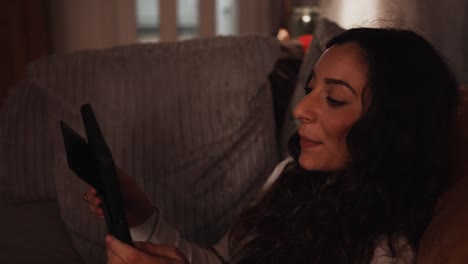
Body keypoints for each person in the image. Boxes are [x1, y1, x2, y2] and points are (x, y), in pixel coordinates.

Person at [84, 27, 460, 264]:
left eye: (334, 99)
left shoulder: (386, 251)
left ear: (392, 126)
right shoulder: (289, 177)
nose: (301, 109)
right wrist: (140, 214)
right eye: (311, 88)